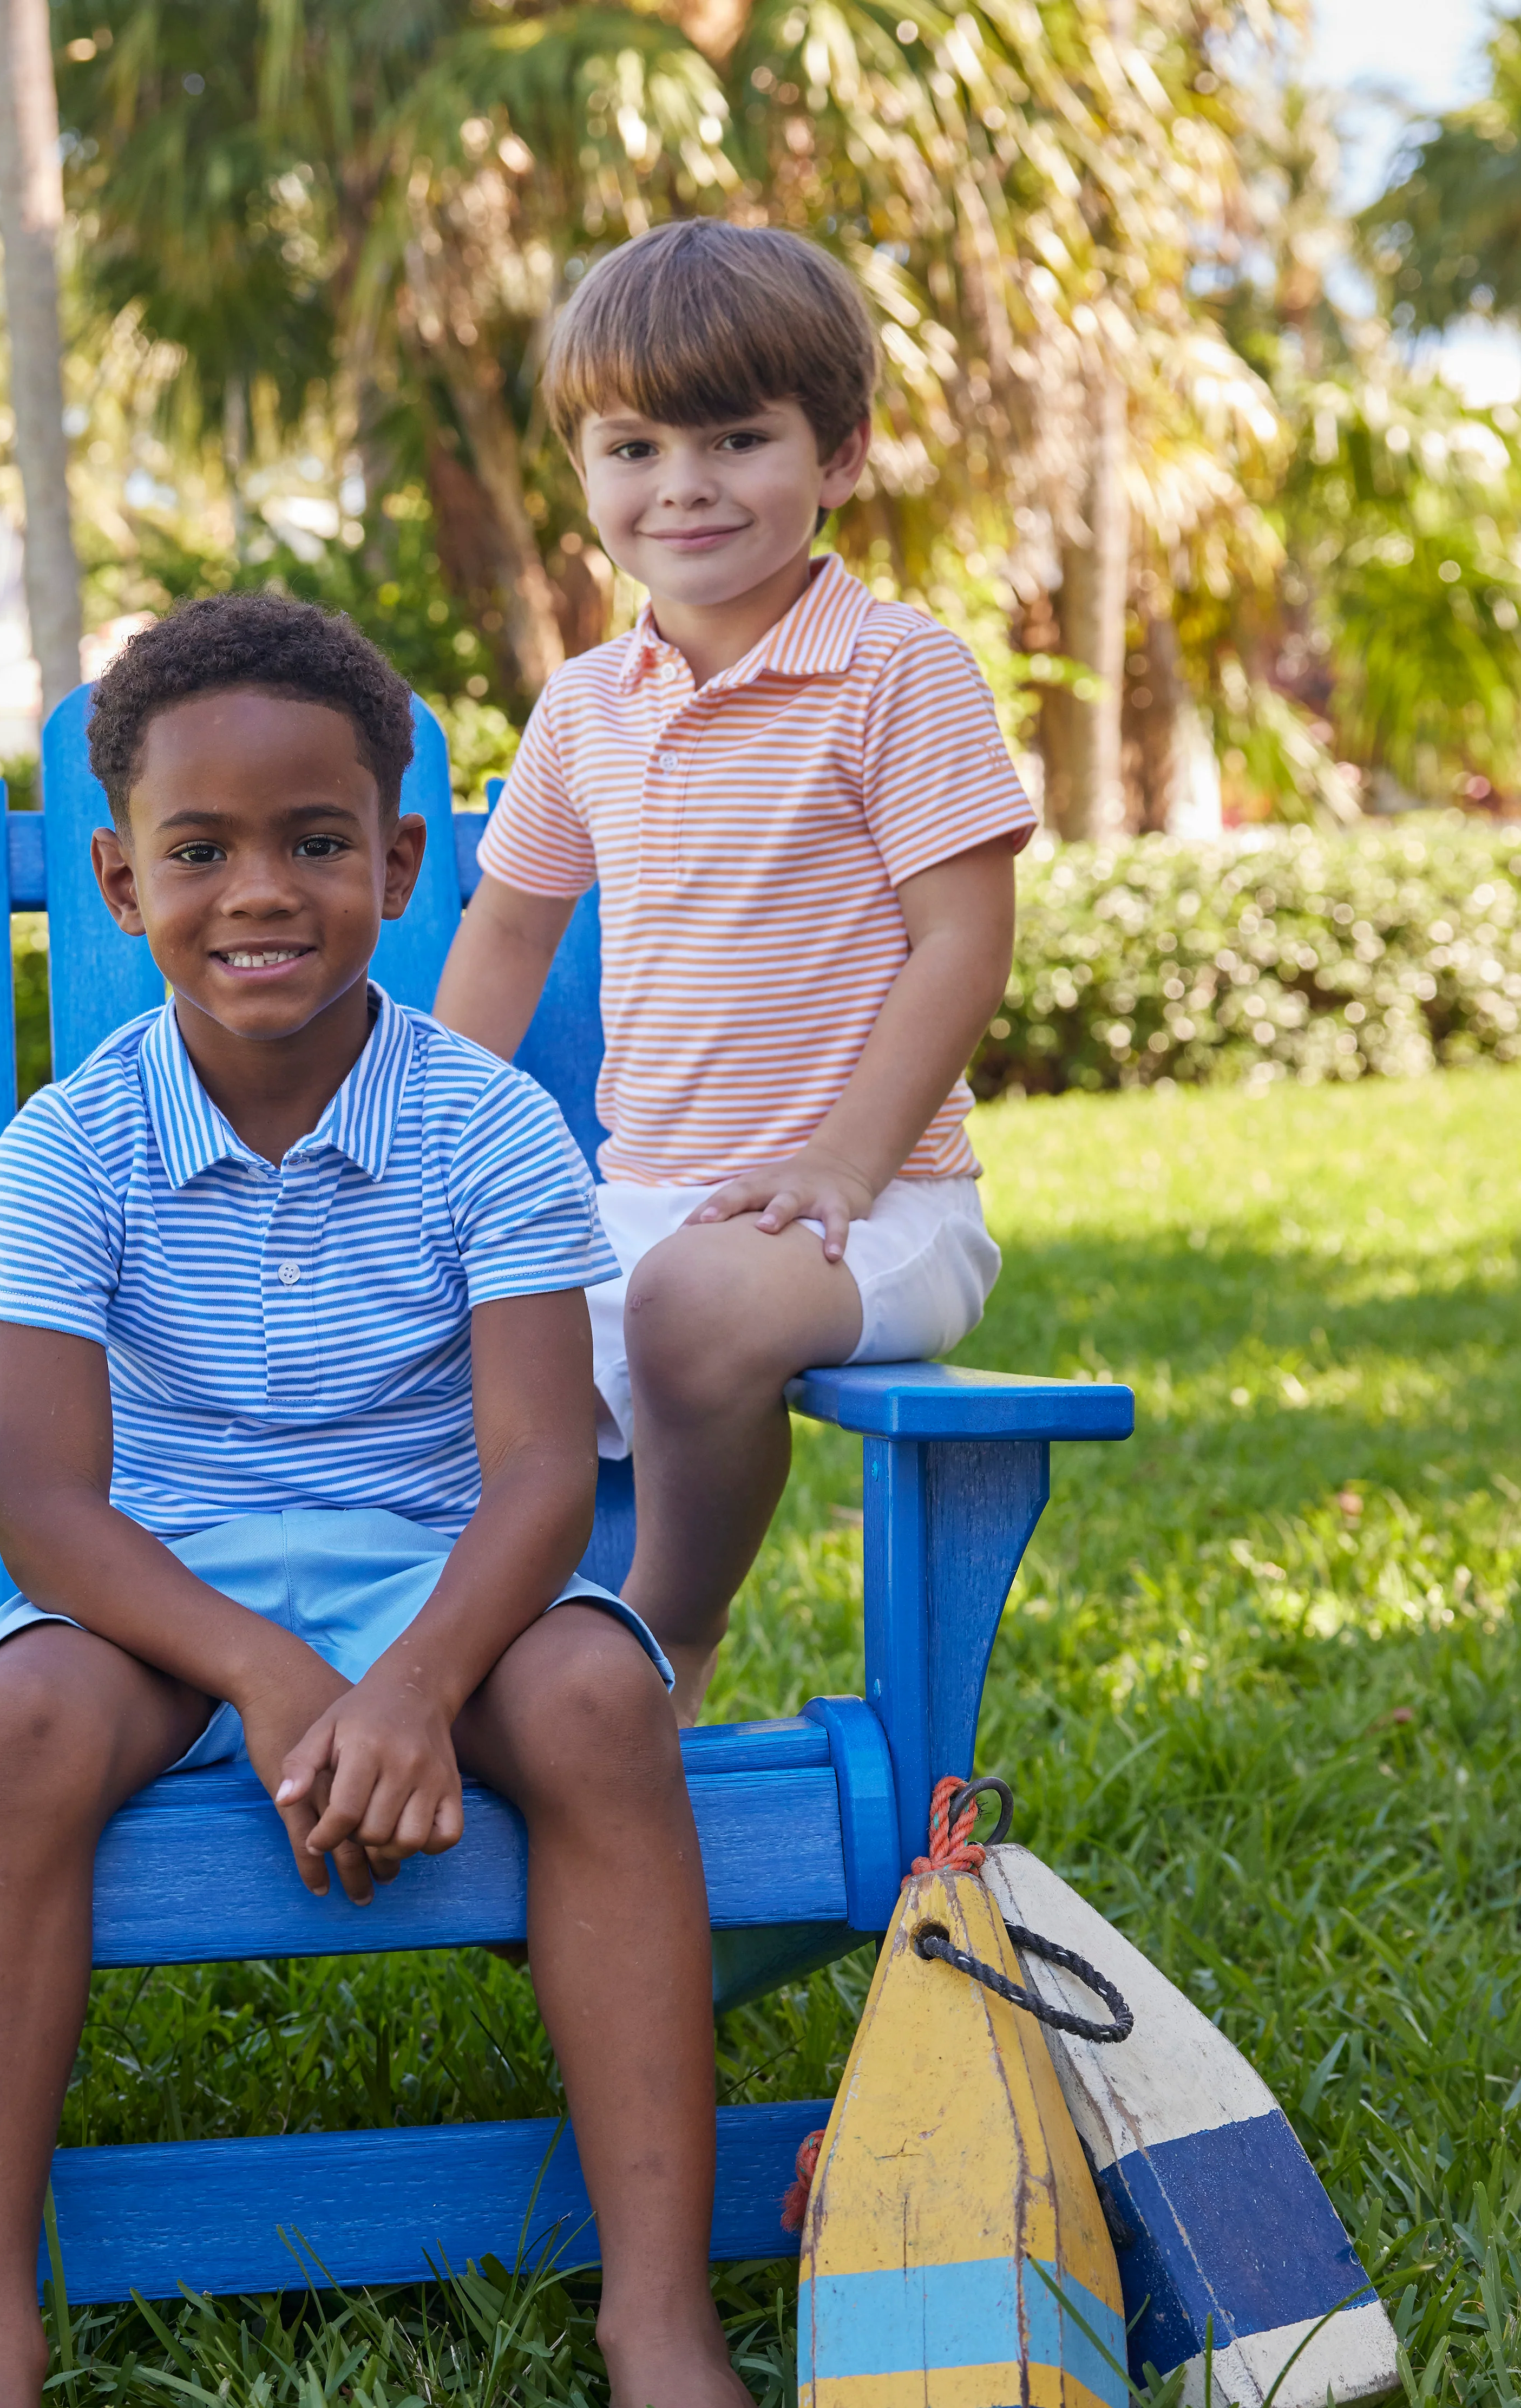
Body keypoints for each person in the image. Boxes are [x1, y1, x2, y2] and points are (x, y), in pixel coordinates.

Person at [0, 594, 801, 2408]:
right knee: (20, 1713)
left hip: (437, 1558)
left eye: (316, 840)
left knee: (594, 1697)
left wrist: (399, 1676)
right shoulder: (70, 1147)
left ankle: (659, 2320)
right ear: (121, 879)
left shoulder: (484, 1128)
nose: (258, 892)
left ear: (401, 860)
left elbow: (550, 1465)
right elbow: (42, 1502)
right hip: (164, 1575)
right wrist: (274, 1674)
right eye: (197, 852)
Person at [434, 219, 1036, 1723]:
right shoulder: (585, 703)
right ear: (581, 471)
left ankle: (670, 1629)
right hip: (635, 1200)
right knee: (434, 1319)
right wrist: (426, 1135)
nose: (682, 484)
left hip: (879, 1208)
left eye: (736, 437)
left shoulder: (897, 671)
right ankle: (462, 1652)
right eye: (632, 446)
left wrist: (839, 1168)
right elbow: (510, 927)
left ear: (838, 455)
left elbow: (965, 941)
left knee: (699, 1303)